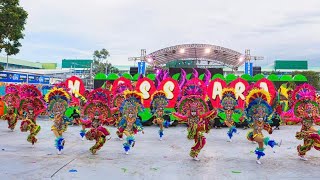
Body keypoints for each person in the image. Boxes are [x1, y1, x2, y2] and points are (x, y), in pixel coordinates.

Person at [174, 95, 216, 161]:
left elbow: (207, 114)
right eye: (192, 111)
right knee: (201, 141)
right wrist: (175, 114)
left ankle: (195, 154)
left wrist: (213, 111)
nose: (193, 113)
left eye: (194, 111)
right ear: (190, 111)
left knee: (201, 141)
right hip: (193, 132)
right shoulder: (188, 118)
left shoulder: (199, 116)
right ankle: (194, 153)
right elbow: (181, 117)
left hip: (199, 131)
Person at [245, 88, 281, 165]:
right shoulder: (254, 117)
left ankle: (258, 159)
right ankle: (275, 144)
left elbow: (268, 119)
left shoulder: (263, 119)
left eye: (262, 110)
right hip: (255, 135)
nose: (261, 111)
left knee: (261, 148)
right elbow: (249, 116)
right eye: (259, 110)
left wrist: (273, 112)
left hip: (260, 134)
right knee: (265, 139)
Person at [292, 84, 320, 161]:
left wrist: (314, 114)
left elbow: (316, 113)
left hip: (310, 126)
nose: (306, 99)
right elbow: (300, 114)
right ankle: (301, 153)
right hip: (305, 127)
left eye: (308, 98)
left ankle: (301, 153)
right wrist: (317, 130)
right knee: (308, 141)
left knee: (309, 142)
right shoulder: (300, 107)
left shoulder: (311, 105)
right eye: (305, 98)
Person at [81, 88, 112, 154]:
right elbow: (85, 123)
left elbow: (108, 121)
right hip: (92, 133)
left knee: (101, 140)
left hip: (99, 133)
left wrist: (109, 121)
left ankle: (94, 148)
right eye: (95, 115)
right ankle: (91, 145)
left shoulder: (102, 120)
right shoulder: (91, 120)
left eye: (98, 115)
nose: (96, 116)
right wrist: (82, 122)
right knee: (92, 131)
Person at [45, 87, 71, 154]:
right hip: (58, 124)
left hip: (60, 124)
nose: (58, 108)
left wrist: (70, 120)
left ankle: (61, 142)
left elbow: (66, 118)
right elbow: (51, 114)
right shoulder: (55, 110)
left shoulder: (62, 112)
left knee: (56, 132)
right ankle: (59, 148)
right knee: (58, 133)